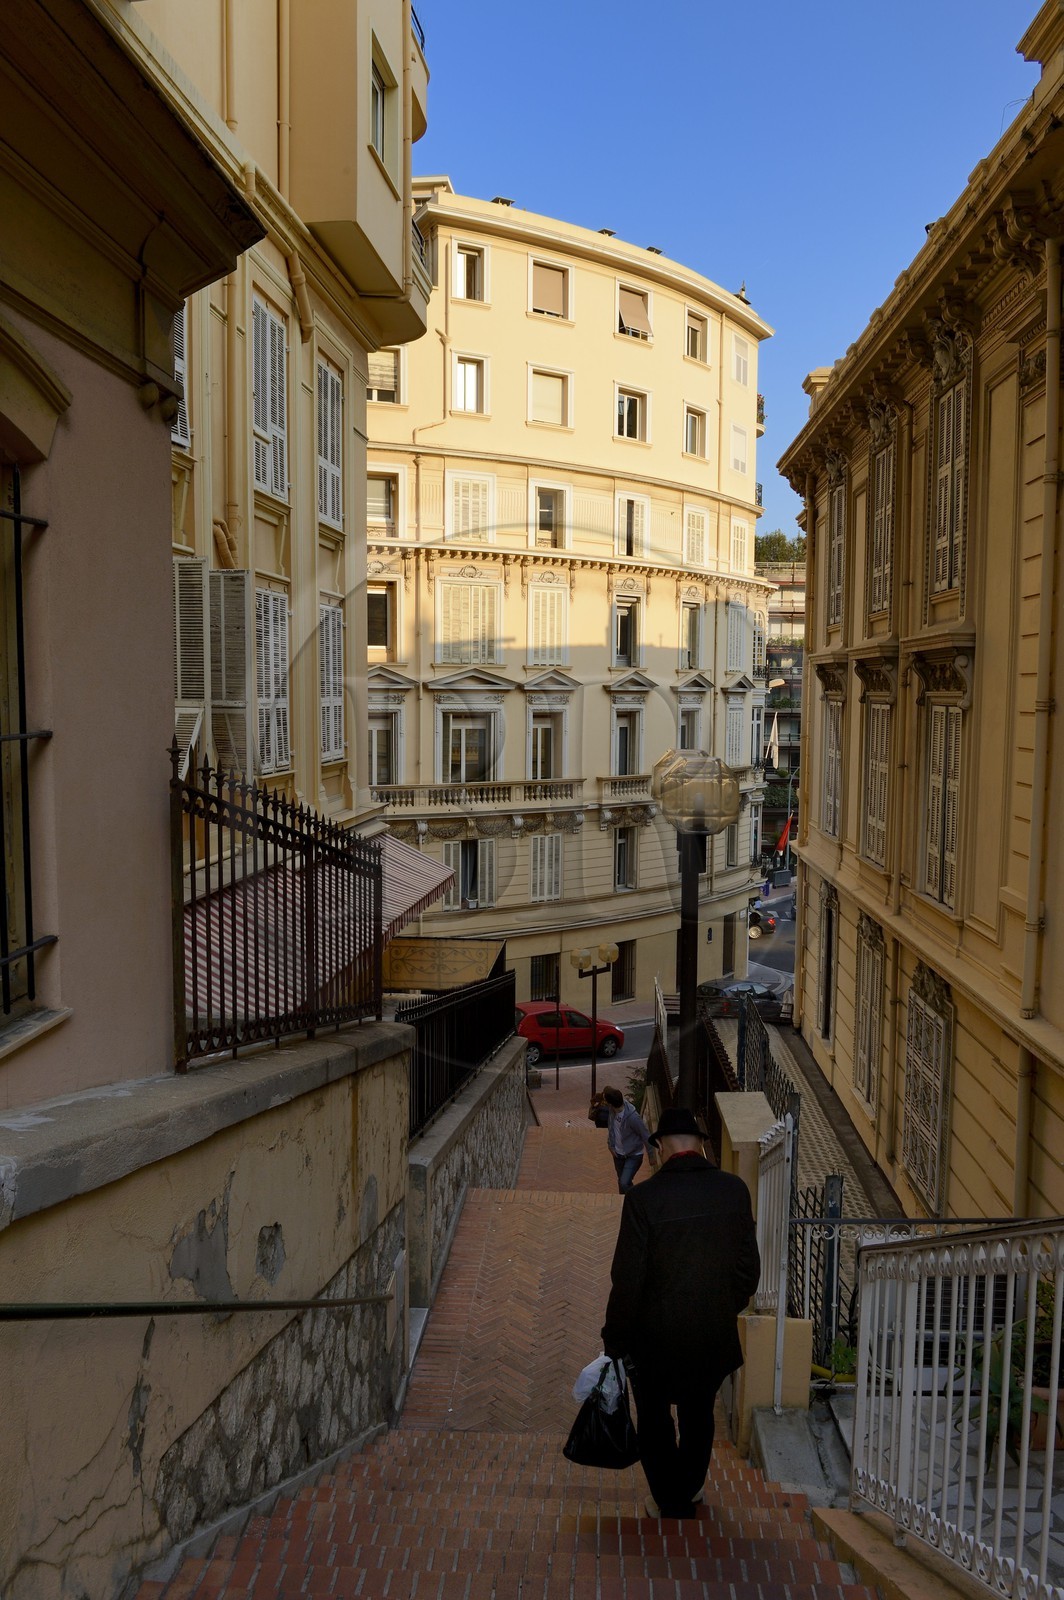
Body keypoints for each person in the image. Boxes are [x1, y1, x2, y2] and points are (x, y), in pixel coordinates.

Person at [601, 1106, 760, 1520]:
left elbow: (627, 1279)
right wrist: (720, 1307)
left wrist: (615, 1338)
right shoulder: (734, 1191)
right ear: (701, 1145)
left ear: (659, 1148)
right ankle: (689, 1488)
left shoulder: (643, 1199)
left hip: (652, 1338)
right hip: (710, 1333)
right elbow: (748, 1272)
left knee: (654, 1418)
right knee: (699, 1413)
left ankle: (668, 1498)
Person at [601, 1085, 652, 1193]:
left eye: (606, 1101)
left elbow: (645, 1135)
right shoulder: (612, 1110)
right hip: (618, 1155)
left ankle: (636, 1200)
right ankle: (624, 1201)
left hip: (633, 1155)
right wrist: (610, 1145)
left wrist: (652, 1156)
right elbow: (611, 1128)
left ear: (610, 1104)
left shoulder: (633, 1118)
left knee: (624, 1182)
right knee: (622, 1182)